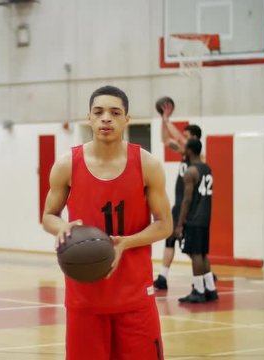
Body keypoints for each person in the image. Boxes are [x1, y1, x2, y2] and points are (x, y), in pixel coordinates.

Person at [43, 86, 172, 359]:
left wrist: (127, 243)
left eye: (115, 113)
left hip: (135, 298)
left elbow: (165, 225)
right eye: (99, 112)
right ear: (89, 117)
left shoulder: (147, 165)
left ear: (127, 119)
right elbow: (48, 216)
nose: (106, 118)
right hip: (84, 299)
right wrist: (62, 227)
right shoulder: (67, 164)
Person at [153, 101, 202, 290]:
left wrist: (167, 118)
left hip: (191, 207)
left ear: (194, 139)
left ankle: (205, 272)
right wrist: (163, 122)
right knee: (170, 239)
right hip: (179, 205)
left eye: (188, 136)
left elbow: (180, 139)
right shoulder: (184, 153)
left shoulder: (199, 155)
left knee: (190, 246)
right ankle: (163, 278)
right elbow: (166, 140)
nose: (184, 139)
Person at [176, 139, 218, 303]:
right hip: (205, 217)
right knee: (202, 254)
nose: (183, 151)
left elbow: (186, 200)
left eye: (185, 149)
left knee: (195, 255)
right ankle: (211, 289)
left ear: (190, 151)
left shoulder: (191, 172)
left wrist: (179, 224)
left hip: (194, 218)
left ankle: (199, 291)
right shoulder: (207, 168)